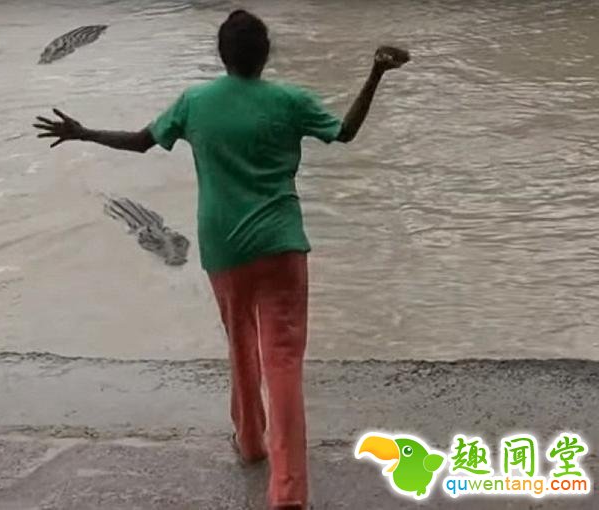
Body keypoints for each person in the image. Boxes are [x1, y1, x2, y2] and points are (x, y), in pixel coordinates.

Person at [33, 9, 409, 510]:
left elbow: (142, 143)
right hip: (282, 246)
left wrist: (83, 133)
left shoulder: (195, 102)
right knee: (284, 362)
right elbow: (344, 132)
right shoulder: (290, 100)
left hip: (224, 249)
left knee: (241, 344)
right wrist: (376, 73)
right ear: (266, 54)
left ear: (221, 55)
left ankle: (250, 442)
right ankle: (289, 492)